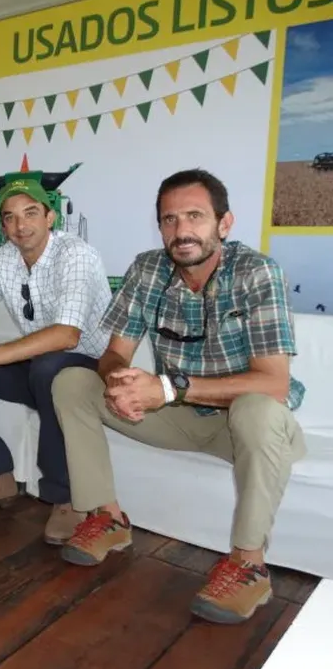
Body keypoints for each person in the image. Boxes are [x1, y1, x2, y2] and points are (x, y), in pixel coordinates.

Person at [51, 168, 307, 625]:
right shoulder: (148, 268)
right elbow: (114, 354)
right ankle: (108, 519)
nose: (181, 231)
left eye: (195, 216)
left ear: (223, 224)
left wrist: (167, 387)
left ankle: (249, 566)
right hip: (180, 416)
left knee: (255, 408)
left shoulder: (256, 272)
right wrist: (121, 382)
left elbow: (275, 384)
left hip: (250, 429)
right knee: (72, 380)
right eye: (170, 219)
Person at [0, 176, 112, 544]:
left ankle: (66, 498)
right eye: (10, 217)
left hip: (90, 369)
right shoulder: (3, 259)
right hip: (38, 366)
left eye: (30, 213)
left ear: (50, 217)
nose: (20, 225)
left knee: (48, 368)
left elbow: (67, 336)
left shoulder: (76, 254)